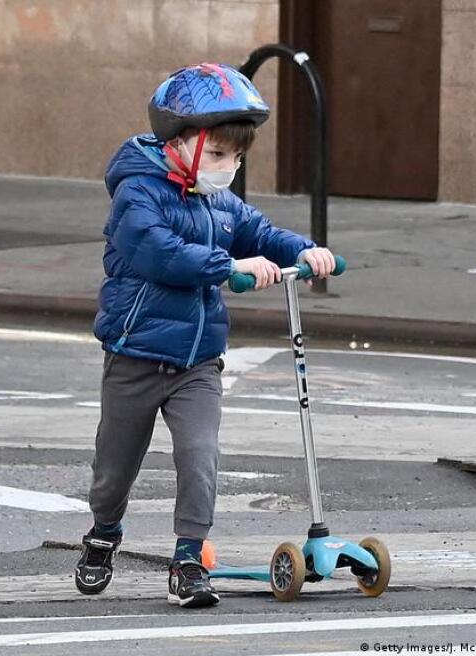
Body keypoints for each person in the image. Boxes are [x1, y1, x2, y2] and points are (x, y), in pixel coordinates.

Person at [74, 63, 337, 608]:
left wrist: (305, 251)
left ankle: (189, 560)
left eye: (236, 158)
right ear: (177, 142)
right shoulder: (137, 193)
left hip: (197, 363)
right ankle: (103, 532)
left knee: (200, 456)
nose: (227, 168)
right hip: (135, 355)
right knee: (114, 470)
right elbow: (158, 252)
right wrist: (227, 266)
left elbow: (259, 231)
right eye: (216, 154)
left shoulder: (217, 201)